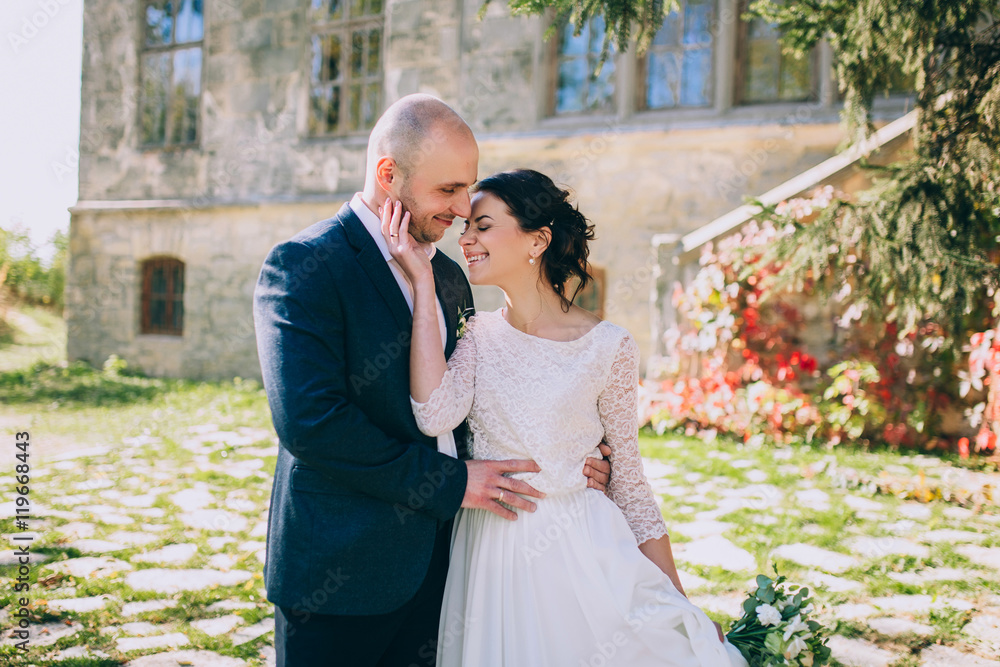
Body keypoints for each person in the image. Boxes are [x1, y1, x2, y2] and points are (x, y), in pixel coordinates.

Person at [253, 96, 611, 666]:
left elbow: (476, 399)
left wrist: (576, 451)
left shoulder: (448, 277)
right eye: (448, 191)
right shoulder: (305, 264)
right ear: (388, 174)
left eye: (467, 188)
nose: (463, 208)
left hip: (451, 567)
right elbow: (312, 423)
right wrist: (450, 484)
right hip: (341, 575)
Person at [383, 168, 750, 666]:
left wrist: (678, 600)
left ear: (538, 239)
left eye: (483, 225)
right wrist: (422, 283)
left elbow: (631, 484)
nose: (464, 238)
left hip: (583, 548)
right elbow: (433, 413)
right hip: (492, 552)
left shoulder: (609, 346)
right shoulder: (478, 336)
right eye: (466, 226)